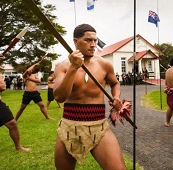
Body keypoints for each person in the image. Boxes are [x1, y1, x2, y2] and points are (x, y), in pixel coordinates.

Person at [53, 24, 126, 170]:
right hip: (69, 125)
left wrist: (116, 96)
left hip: (98, 124)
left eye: (95, 40)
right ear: (76, 41)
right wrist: (73, 68)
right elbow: (59, 97)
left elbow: (115, 83)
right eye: (88, 40)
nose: (93, 45)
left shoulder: (104, 64)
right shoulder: (63, 66)